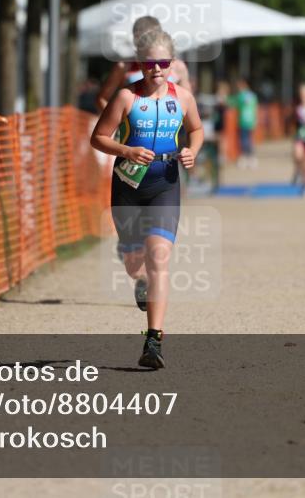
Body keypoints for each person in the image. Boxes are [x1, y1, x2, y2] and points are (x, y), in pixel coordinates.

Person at [90, 28, 203, 369]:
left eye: (163, 62)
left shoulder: (182, 97)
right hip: (128, 185)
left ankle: (153, 340)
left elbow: (196, 129)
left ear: (172, 62)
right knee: (134, 261)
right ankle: (137, 277)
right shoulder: (125, 97)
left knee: (159, 257)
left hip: (165, 183)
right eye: (150, 62)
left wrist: (192, 151)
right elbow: (98, 137)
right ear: (139, 62)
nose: (157, 68)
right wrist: (126, 149)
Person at [95, 16, 190, 112]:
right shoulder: (124, 66)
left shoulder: (177, 66)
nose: (146, 42)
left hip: (169, 122)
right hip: (135, 123)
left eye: (150, 37)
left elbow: (188, 103)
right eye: (141, 39)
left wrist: (178, 124)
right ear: (134, 39)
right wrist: (119, 123)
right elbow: (102, 99)